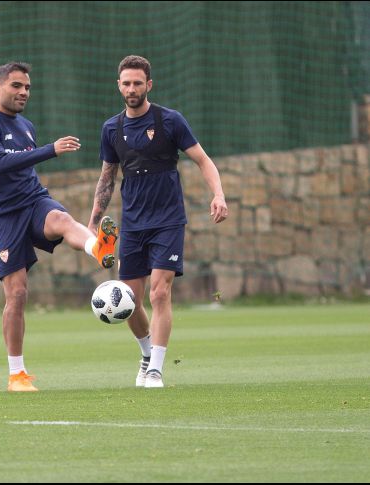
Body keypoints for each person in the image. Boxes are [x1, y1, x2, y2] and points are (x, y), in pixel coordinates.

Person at [0, 61, 118, 392]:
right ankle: (17, 375)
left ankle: (98, 247)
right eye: (17, 86)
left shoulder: (26, 126)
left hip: (33, 201)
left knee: (63, 219)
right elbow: (1, 163)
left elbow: (25, 171)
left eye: (28, 87)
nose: (24, 92)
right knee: (18, 293)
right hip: (1, 215)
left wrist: (42, 170)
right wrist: (50, 150)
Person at [88, 55, 228, 389]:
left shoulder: (170, 121)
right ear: (118, 86)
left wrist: (219, 194)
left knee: (160, 293)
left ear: (149, 85)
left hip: (168, 220)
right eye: (126, 83)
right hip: (133, 223)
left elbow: (203, 161)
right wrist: (93, 223)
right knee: (128, 299)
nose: (132, 88)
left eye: (138, 82)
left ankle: (156, 370)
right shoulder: (111, 128)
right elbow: (107, 178)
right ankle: (147, 353)